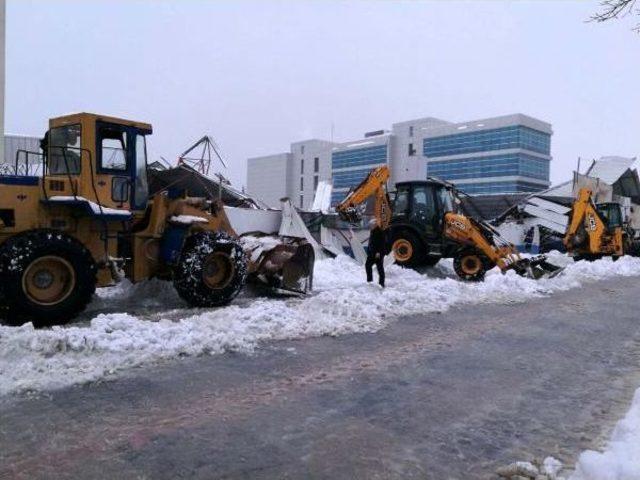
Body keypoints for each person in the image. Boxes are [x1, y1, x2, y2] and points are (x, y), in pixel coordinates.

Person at [365, 218, 386, 287]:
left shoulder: (380, 232)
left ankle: (381, 283)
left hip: (377, 254)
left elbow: (381, 243)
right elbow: (371, 242)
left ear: (375, 225)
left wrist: (378, 252)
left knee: (379, 267)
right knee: (368, 265)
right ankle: (370, 280)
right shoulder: (372, 231)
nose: (370, 226)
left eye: (371, 225)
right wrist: (368, 250)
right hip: (372, 253)